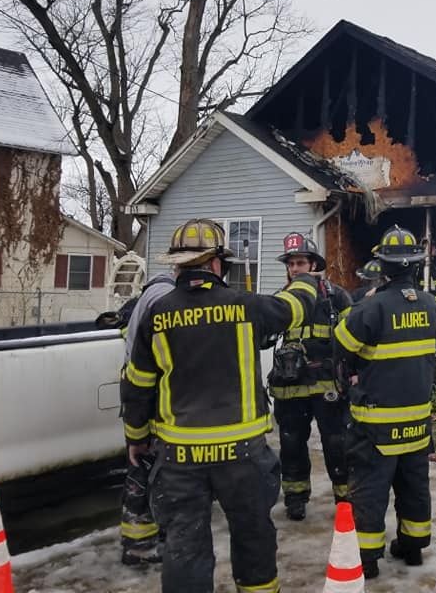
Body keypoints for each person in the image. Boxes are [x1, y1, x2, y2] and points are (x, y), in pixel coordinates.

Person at [120, 219, 319, 593]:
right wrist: (307, 277)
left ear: (178, 266)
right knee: (253, 538)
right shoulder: (246, 306)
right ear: (216, 264)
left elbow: (138, 385)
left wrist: (136, 438)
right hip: (243, 456)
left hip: (179, 459)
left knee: (185, 546)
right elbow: (295, 308)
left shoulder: (155, 314)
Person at [332, 225, 436, 580]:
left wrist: (361, 305)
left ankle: (368, 558)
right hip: (418, 421)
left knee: (371, 491)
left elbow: (342, 345)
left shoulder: (371, 307)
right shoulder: (429, 304)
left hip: (377, 424)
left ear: (384, 265)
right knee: (414, 486)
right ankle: (412, 548)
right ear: (414, 265)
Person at [268, 232, 353, 521]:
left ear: (313, 265)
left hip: (327, 383)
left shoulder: (336, 296)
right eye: (291, 264)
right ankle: (295, 496)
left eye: (300, 262)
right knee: (291, 442)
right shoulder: (281, 299)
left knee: (336, 441)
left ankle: (345, 494)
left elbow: (353, 337)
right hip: (291, 386)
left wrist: (352, 374)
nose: (295, 269)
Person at [116, 270, 176, 567]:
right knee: (155, 468)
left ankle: (136, 542)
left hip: (136, 392)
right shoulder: (164, 298)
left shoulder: (143, 300)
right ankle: (153, 540)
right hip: (153, 395)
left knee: (139, 466)